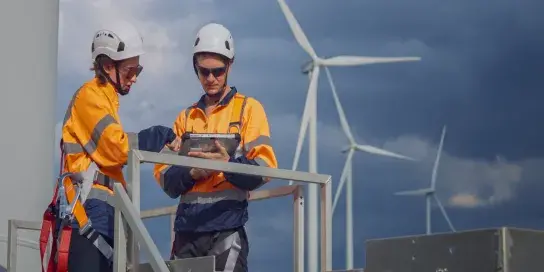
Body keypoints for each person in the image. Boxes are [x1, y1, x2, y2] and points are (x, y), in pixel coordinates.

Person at [44, 21, 181, 272]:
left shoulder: (106, 100)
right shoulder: (90, 97)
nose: (135, 78)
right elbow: (117, 149)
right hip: (88, 216)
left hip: (104, 215)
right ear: (108, 66)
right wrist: (157, 135)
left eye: (137, 70)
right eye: (130, 71)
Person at [153, 23, 278, 272]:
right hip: (187, 231)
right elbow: (165, 178)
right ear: (195, 68)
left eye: (218, 71)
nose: (210, 79)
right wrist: (192, 172)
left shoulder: (248, 109)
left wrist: (227, 166)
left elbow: (265, 168)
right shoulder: (185, 117)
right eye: (204, 71)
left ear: (230, 66)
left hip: (226, 227)